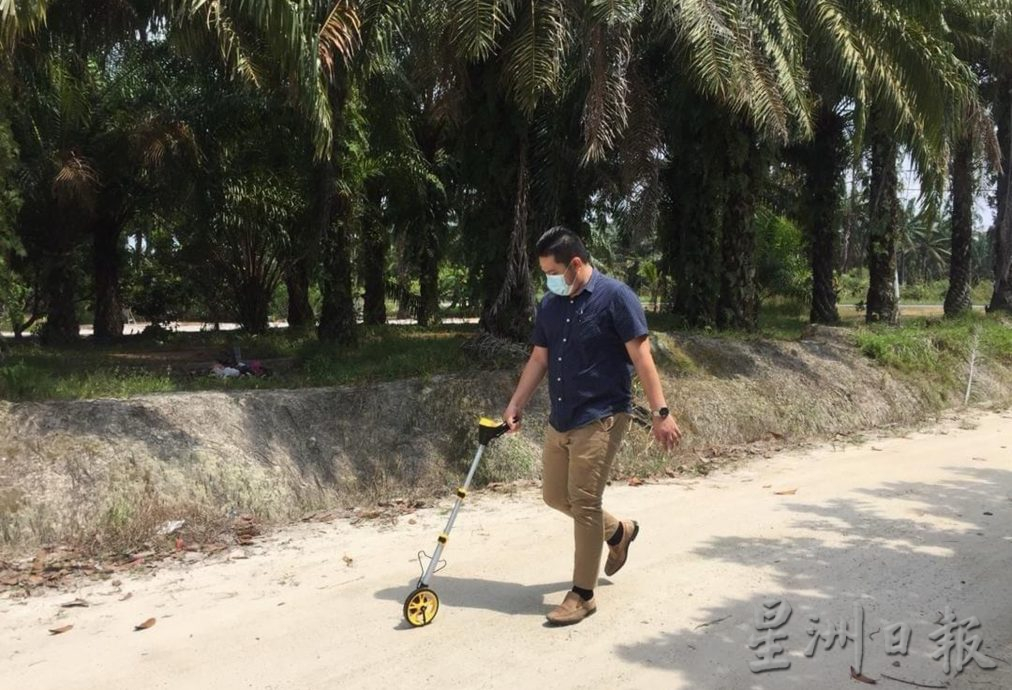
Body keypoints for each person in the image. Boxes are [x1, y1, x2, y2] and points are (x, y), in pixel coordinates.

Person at [503, 226, 682, 626]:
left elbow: (642, 357)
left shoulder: (615, 297)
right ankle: (619, 533)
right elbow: (538, 359)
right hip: (561, 416)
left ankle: (583, 594)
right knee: (554, 495)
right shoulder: (550, 304)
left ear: (576, 264)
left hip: (602, 416)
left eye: (553, 271)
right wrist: (516, 402)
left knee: (584, 502)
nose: (547, 279)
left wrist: (661, 412)